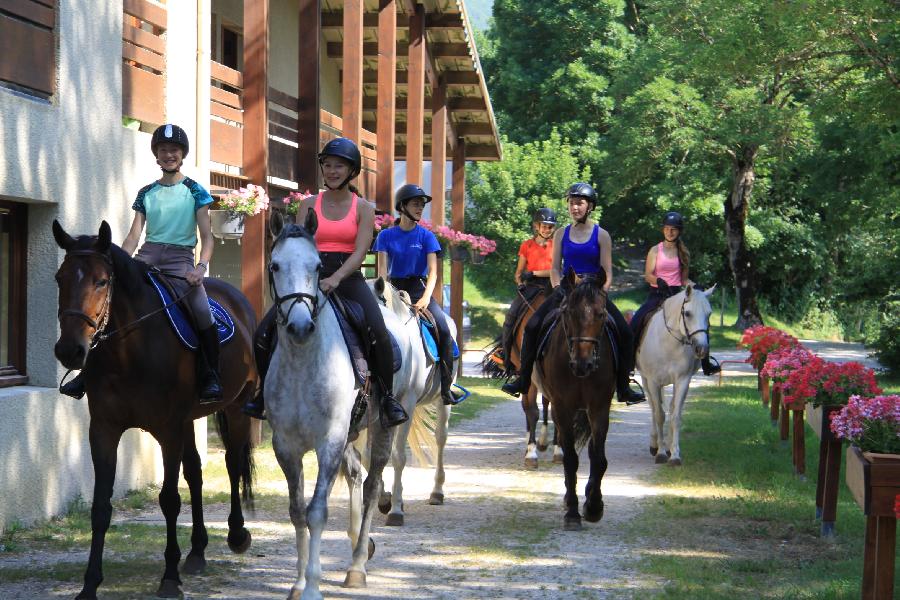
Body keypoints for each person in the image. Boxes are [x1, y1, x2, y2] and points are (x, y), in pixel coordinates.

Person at [242, 137, 409, 429]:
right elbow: (297, 244)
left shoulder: (364, 208)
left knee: (379, 331)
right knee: (263, 332)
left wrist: (336, 278)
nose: (332, 171)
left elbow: (360, 252)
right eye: (328, 165)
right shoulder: (308, 204)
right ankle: (262, 395)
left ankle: (388, 399)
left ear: (351, 171)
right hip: (309, 278)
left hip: (348, 278)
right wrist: (312, 278)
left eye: (339, 166)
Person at [59, 123, 222, 402]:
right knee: (110, 305)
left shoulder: (196, 191)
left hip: (181, 260)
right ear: (156, 155)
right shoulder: (146, 193)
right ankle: (86, 375)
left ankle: (210, 374)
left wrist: (200, 268)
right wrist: (117, 262)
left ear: (182, 155)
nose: (168, 154)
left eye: (174, 150)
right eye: (163, 150)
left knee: (201, 310)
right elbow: (134, 236)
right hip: (147, 255)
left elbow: (208, 238)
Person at [501, 182, 646, 405]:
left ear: (590, 206)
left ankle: (623, 386)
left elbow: (607, 272)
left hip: (594, 292)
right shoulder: (561, 234)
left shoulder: (602, 235)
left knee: (625, 332)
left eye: (579, 203)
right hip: (566, 290)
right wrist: (559, 288)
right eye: (571, 203)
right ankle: (522, 379)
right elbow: (556, 267)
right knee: (531, 327)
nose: (574, 207)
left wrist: (600, 294)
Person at [373, 183, 461, 405]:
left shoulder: (426, 237)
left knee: (442, 326)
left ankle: (446, 385)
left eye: (422, 205)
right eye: (416, 204)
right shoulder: (385, 236)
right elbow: (382, 271)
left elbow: (433, 272)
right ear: (402, 206)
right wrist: (386, 294)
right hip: (393, 288)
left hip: (419, 288)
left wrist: (424, 298)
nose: (420, 208)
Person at [630, 211, 721, 375]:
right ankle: (629, 364)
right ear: (663, 230)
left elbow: (683, 279)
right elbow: (648, 275)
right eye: (666, 228)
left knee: (701, 324)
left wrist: (695, 286)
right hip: (657, 294)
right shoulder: (655, 250)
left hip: (676, 296)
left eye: (673, 229)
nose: (669, 232)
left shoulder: (683, 253)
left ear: (679, 231)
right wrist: (658, 281)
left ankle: (706, 363)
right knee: (635, 322)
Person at [500, 208, 556, 374]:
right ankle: (507, 356)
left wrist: (534, 273)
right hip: (530, 287)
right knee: (511, 316)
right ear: (536, 226)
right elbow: (518, 272)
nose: (547, 229)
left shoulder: (556, 246)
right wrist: (519, 281)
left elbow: (555, 270)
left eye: (550, 227)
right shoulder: (526, 245)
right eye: (544, 226)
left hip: (551, 285)